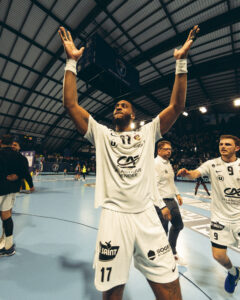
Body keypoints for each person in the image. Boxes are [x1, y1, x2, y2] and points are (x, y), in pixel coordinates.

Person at [58, 24, 199, 300]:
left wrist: (181, 62)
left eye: (124, 105)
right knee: (112, 293)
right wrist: (71, 63)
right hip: (114, 217)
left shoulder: (146, 133)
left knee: (171, 288)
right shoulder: (101, 134)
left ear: (133, 115)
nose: (118, 107)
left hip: (147, 215)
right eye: (115, 106)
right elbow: (71, 105)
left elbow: (176, 107)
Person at [177, 135, 240, 294]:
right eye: (221, 144)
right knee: (218, 256)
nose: (223, 146)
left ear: (237, 148)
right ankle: (234, 273)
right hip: (220, 218)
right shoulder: (212, 164)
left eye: (227, 144)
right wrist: (187, 173)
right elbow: (195, 173)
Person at [154, 140, 186, 266]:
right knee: (162, 231)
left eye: (170, 149)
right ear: (159, 151)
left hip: (172, 200)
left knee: (178, 225)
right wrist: (162, 206)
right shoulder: (155, 164)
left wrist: (177, 194)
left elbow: (170, 182)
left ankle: (172, 251)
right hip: (161, 202)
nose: (169, 151)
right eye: (166, 149)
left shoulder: (168, 163)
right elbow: (153, 187)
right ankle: (162, 259)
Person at [0, 135, 28, 256]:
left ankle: (6, 243)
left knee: (5, 216)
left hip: (4, 189)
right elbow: (24, 172)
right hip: (8, 190)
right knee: (6, 216)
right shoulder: (18, 157)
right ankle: (7, 244)